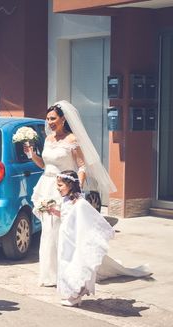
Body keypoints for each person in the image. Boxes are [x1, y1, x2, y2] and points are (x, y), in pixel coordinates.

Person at [25, 100, 116, 287]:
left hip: (64, 188)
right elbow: (45, 165)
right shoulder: (48, 140)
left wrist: (75, 189)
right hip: (46, 186)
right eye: (48, 119)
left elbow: (82, 166)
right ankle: (49, 274)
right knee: (48, 230)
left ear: (63, 119)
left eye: (53, 119)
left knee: (62, 231)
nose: (49, 122)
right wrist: (32, 155)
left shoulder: (72, 140)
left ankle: (66, 273)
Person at [49, 170, 151, 307]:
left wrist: (103, 231)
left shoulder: (80, 202)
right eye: (58, 185)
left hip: (74, 240)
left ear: (71, 185)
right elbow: (67, 216)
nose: (58, 188)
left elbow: (91, 218)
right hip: (66, 239)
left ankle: (76, 294)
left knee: (75, 264)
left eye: (60, 185)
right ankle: (76, 293)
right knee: (66, 263)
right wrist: (55, 212)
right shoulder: (67, 200)